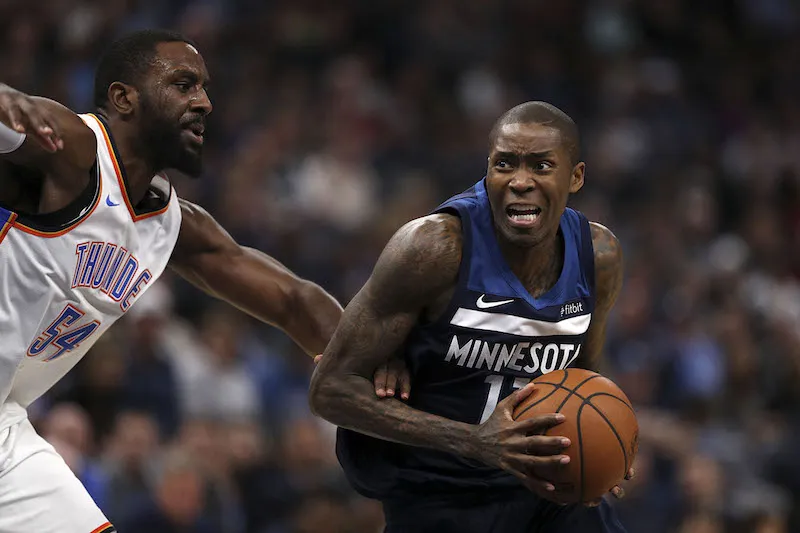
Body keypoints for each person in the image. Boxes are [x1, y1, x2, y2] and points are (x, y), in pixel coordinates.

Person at [0, 29, 404, 533]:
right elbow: (17, 115)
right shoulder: (74, 147)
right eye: (183, 84)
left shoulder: (172, 224)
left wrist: (375, 369)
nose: (204, 102)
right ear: (124, 98)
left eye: (205, 88)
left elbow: (294, 302)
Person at [310, 101, 631, 532]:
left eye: (540, 165)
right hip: (440, 487)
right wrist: (474, 441)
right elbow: (329, 389)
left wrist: (607, 445)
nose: (520, 181)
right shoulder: (434, 248)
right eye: (505, 164)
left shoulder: (599, 256)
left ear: (575, 177)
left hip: (542, 486)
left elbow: (586, 374)